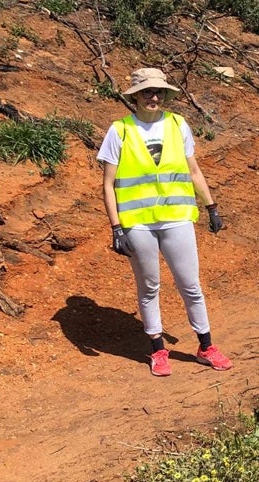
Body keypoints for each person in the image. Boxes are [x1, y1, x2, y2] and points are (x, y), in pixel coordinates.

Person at [98, 67, 232, 377]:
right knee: (149, 286)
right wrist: (116, 227)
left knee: (190, 285)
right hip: (138, 223)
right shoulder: (120, 131)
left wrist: (211, 205)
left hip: (176, 217)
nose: (154, 97)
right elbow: (108, 184)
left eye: (159, 92)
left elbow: (194, 171)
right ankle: (158, 350)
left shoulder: (177, 125)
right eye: (147, 92)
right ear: (136, 97)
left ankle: (206, 346)